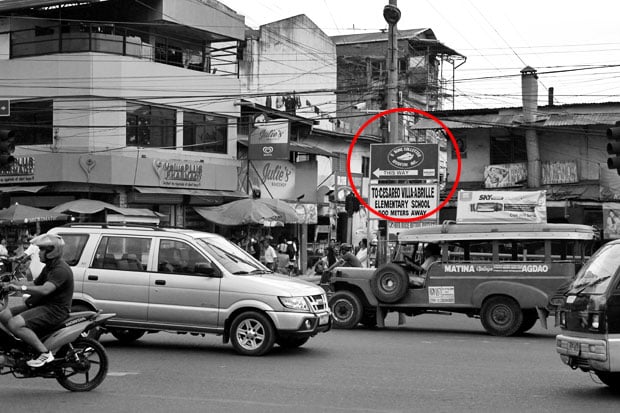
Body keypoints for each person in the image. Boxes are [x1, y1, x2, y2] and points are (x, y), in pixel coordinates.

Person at [0, 233, 74, 368]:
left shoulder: (60, 270)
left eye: (42, 250)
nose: (39, 253)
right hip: (42, 304)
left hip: (55, 310)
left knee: (15, 324)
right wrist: (10, 284)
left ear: (52, 251)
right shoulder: (49, 267)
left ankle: (45, 353)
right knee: (3, 315)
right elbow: (34, 284)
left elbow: (45, 289)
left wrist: (20, 288)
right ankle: (22, 346)